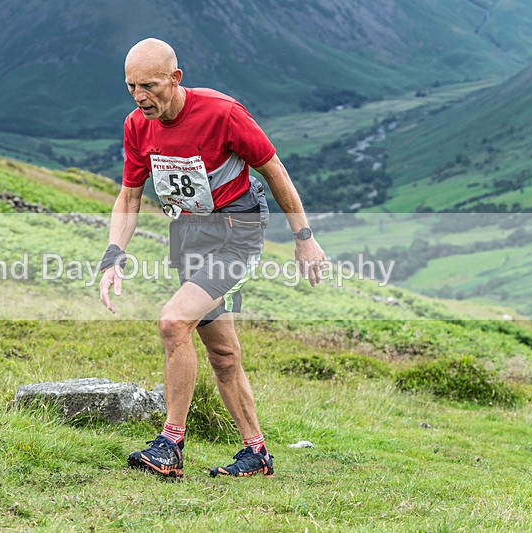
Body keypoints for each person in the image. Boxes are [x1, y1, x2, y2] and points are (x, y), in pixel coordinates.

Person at [99, 38, 326, 478]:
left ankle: (170, 444)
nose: (139, 96)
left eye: (148, 85)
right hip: (189, 235)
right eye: (130, 87)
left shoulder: (222, 112)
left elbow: (273, 169)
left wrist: (303, 237)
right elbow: (129, 196)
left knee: (173, 321)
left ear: (175, 78)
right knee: (223, 355)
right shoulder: (136, 125)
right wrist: (113, 254)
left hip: (237, 234)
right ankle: (256, 453)